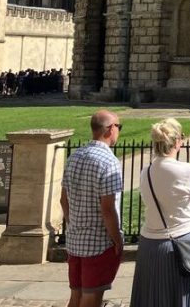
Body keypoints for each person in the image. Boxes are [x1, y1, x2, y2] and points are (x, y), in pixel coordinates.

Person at [130, 118, 190, 306]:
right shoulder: (186, 170)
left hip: (150, 245)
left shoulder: (146, 172)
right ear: (177, 142)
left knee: (154, 298)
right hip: (182, 244)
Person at [60, 110, 123, 307]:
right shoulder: (109, 161)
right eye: (118, 127)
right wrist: (117, 240)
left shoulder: (75, 156)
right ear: (110, 129)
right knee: (92, 297)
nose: (118, 131)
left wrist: (76, 223)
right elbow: (108, 209)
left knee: (76, 295)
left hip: (75, 240)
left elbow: (63, 200)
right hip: (98, 243)